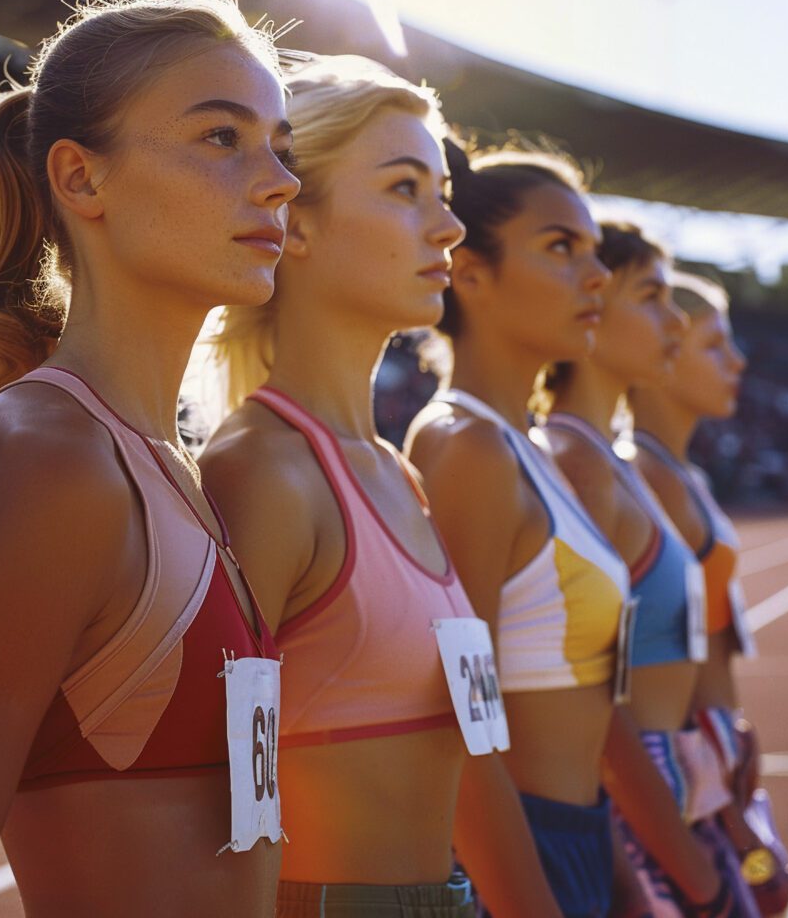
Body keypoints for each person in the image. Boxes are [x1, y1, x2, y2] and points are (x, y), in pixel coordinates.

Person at [0, 0, 301, 918]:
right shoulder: (51, 459)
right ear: (82, 179)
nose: (281, 179)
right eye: (222, 137)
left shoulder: (167, 461)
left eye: (281, 146)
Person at [200, 55, 562, 918]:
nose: (448, 228)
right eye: (407, 189)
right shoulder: (260, 472)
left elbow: (470, 750)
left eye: (442, 192)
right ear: (297, 220)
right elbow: (217, 808)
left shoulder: (397, 472)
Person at [407, 148, 724, 918]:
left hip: (577, 840)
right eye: (561, 248)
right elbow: (460, 722)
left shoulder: (528, 450)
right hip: (516, 858)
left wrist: (622, 882)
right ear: (469, 272)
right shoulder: (466, 448)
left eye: (592, 251)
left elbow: (586, 708)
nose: (594, 276)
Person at [541, 222, 754, 916]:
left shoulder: (605, 463)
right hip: (639, 810)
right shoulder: (581, 465)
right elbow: (596, 702)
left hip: (679, 784)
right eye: (652, 298)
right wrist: (688, 868)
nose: (672, 321)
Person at [627, 272, 788, 915]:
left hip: (717, 751)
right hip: (687, 764)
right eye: (713, 346)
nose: (738, 362)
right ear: (663, 353)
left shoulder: (683, 473)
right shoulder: (646, 475)